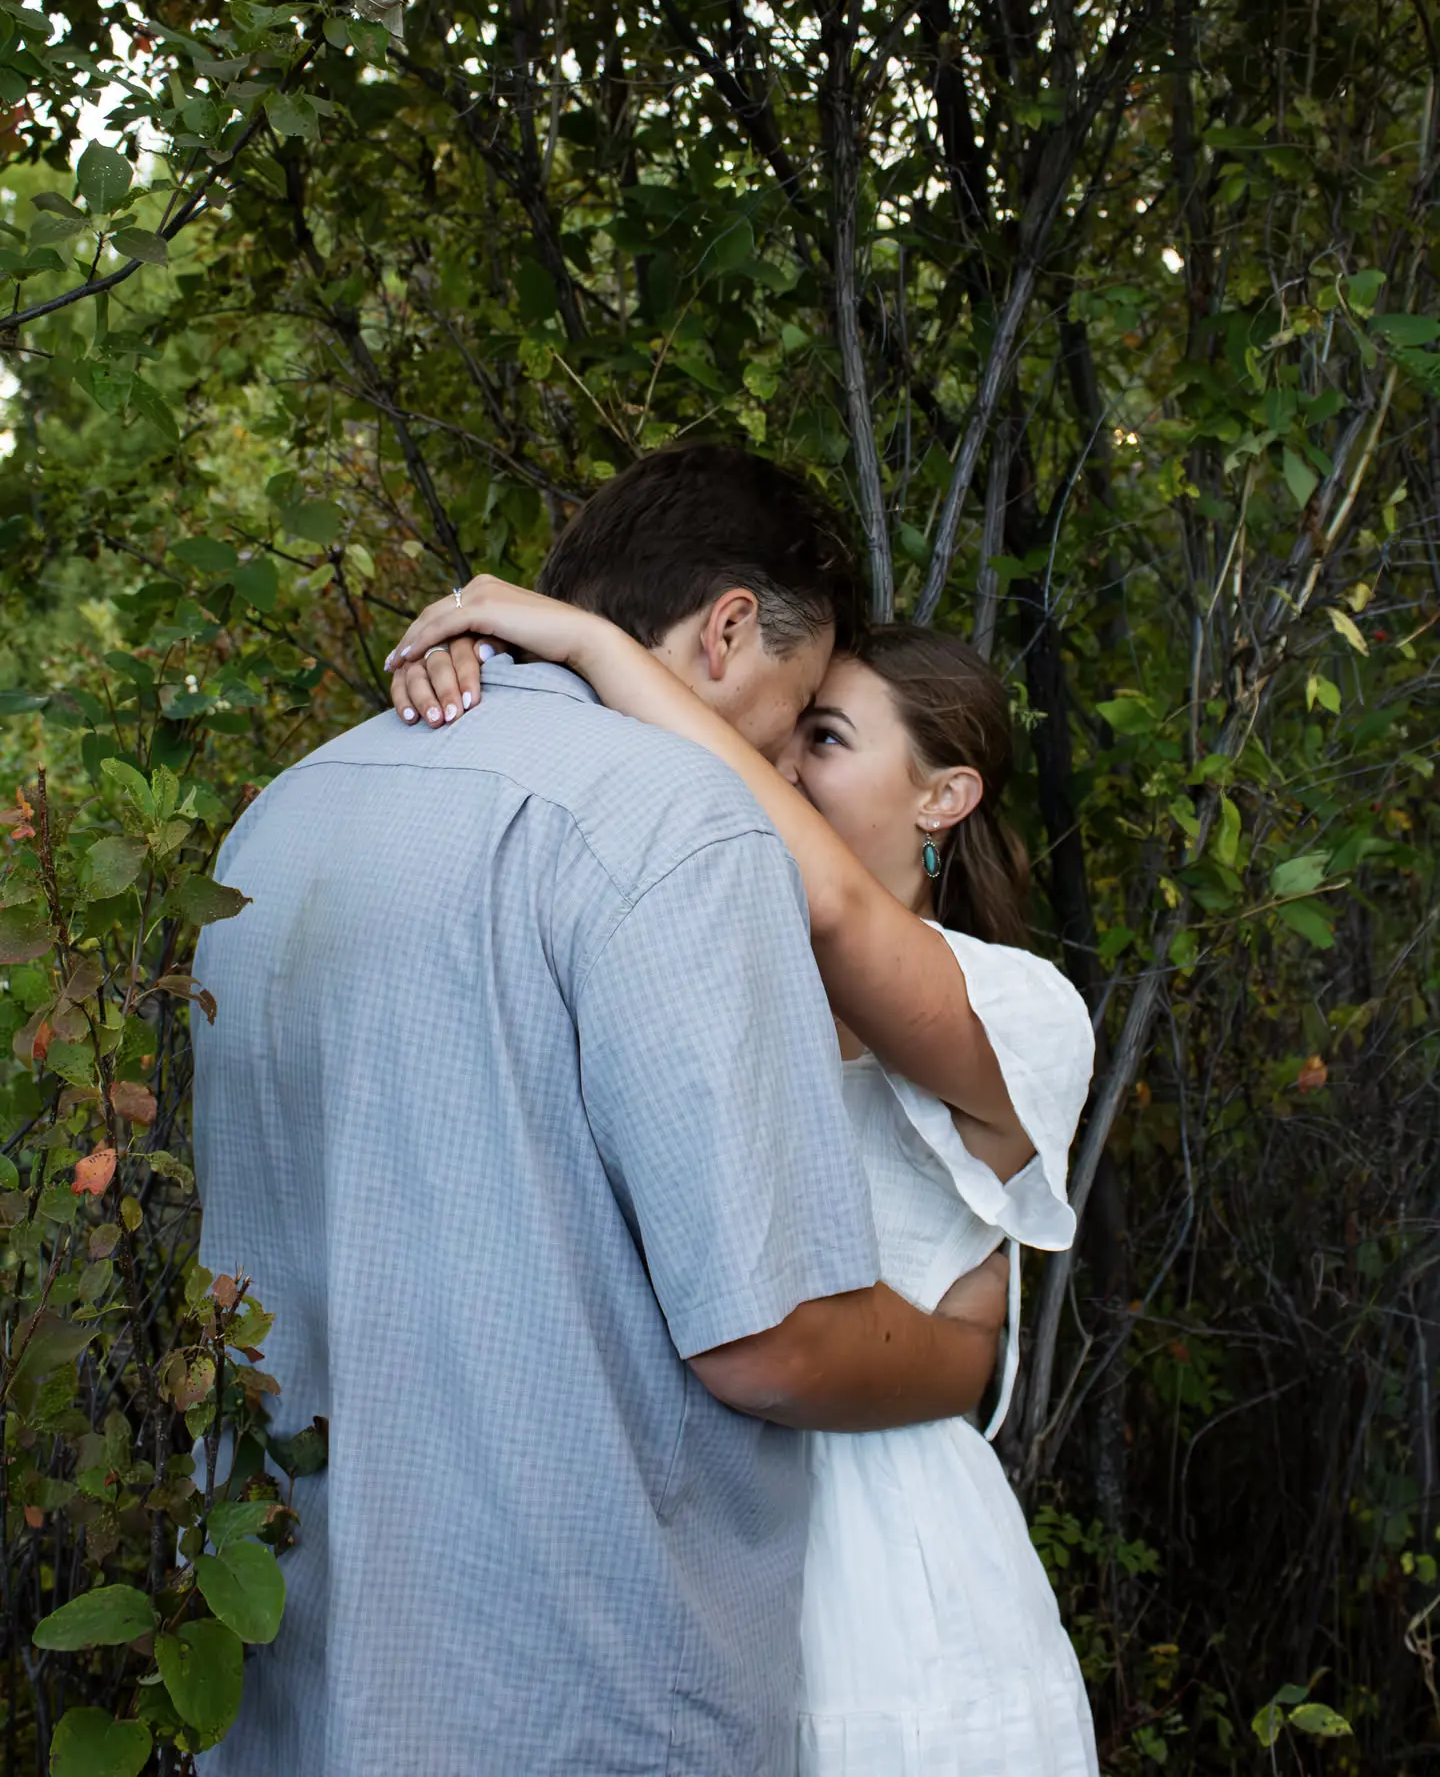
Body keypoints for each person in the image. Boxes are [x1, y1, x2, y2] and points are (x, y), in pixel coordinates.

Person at [191, 444, 1006, 1777]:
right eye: (795, 713)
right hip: (570, 1692)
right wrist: (970, 1358)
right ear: (730, 628)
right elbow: (772, 1344)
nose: (783, 774)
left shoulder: (283, 811)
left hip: (296, 1679)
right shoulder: (679, 828)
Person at [390, 573, 1100, 1775]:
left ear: (945, 795)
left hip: (885, 1553)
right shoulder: (703, 971)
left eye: (825, 736)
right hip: (678, 1528)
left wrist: (587, 642)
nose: (777, 754)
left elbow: (831, 906)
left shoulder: (1025, 1010)